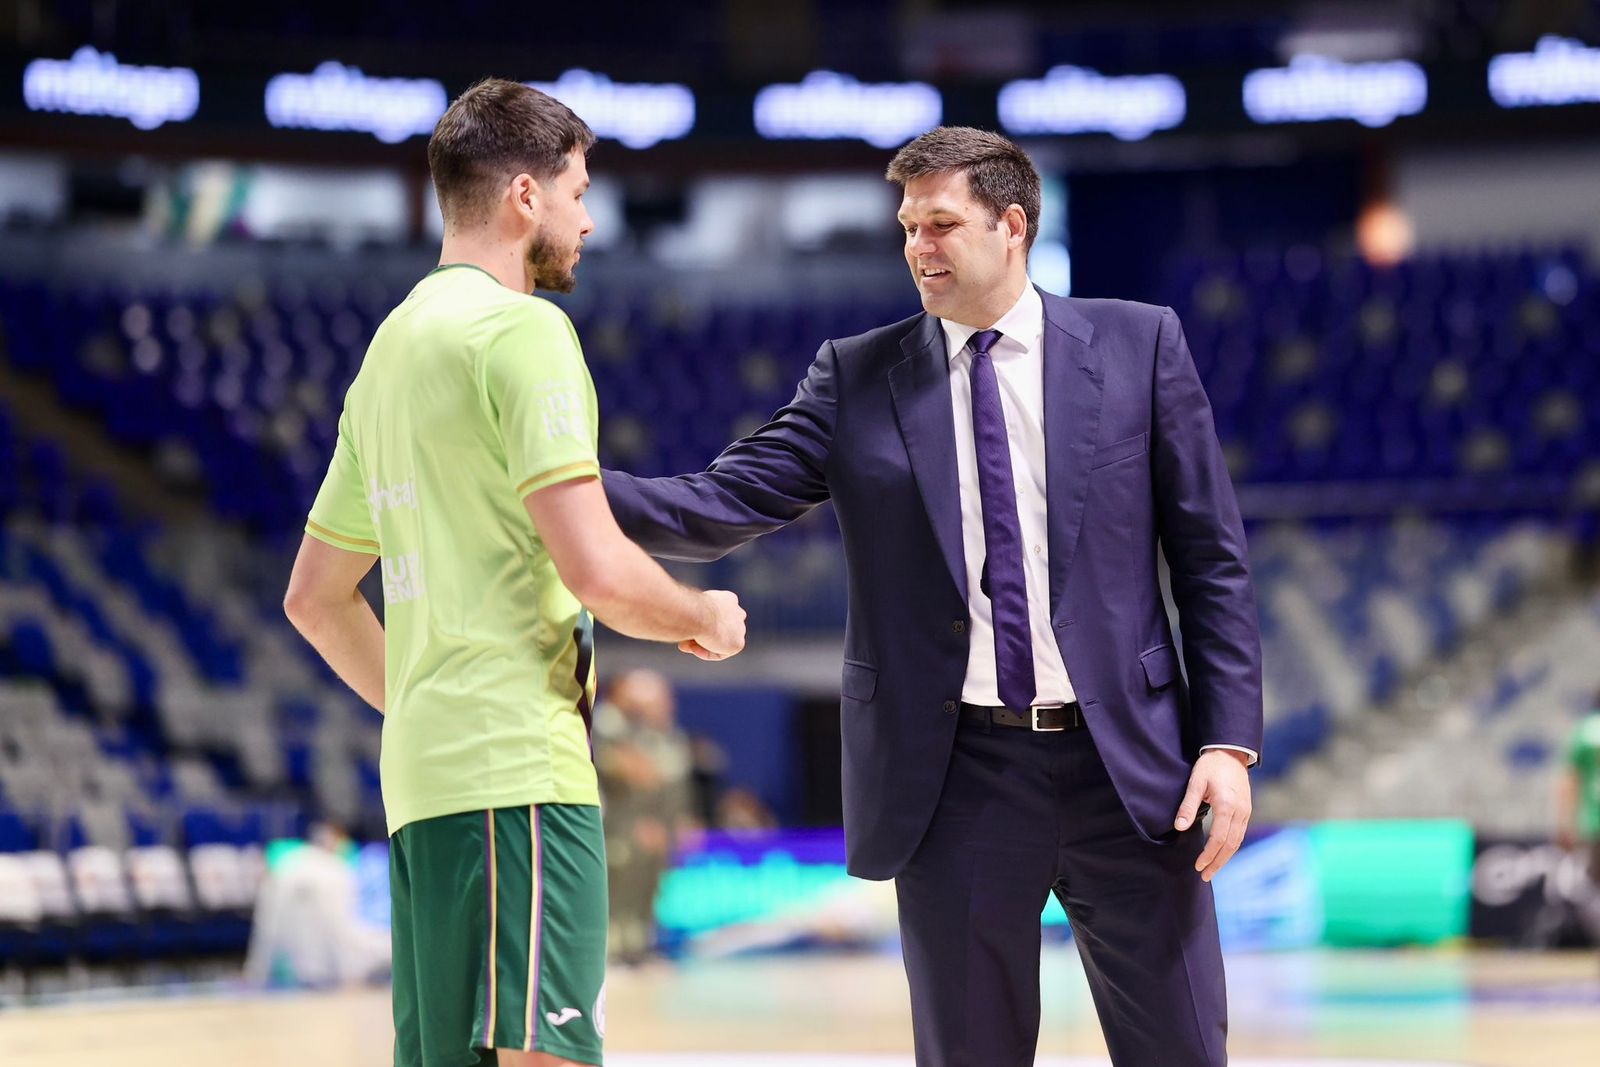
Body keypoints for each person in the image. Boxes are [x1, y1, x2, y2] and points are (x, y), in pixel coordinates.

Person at [604, 126, 1263, 1067]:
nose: (919, 246)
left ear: (1012, 225)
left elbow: (1212, 557)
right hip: (956, 776)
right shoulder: (857, 374)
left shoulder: (1138, 344)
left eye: (942, 224)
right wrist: (560, 491)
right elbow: (719, 500)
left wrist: (1228, 743)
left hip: (1131, 768)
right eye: (909, 226)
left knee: (1183, 1052)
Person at [283, 78, 746, 1067]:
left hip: (425, 781)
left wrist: (423, 699)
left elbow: (315, 598)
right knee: (547, 1054)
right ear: (525, 195)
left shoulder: (389, 354)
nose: (587, 220)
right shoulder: (523, 331)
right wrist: (697, 610)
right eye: (579, 192)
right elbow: (598, 568)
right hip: (521, 778)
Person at [592, 669, 695, 964]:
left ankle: (640, 945)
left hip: (656, 827)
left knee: (648, 887)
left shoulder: (665, 734)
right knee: (617, 887)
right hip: (619, 826)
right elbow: (626, 777)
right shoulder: (606, 727)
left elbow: (671, 784)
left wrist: (675, 821)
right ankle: (613, 949)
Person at [1556, 692, 1600, 947]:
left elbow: (1568, 782)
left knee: (1595, 887)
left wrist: (1565, 824)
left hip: (1594, 823)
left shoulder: (1584, 732)